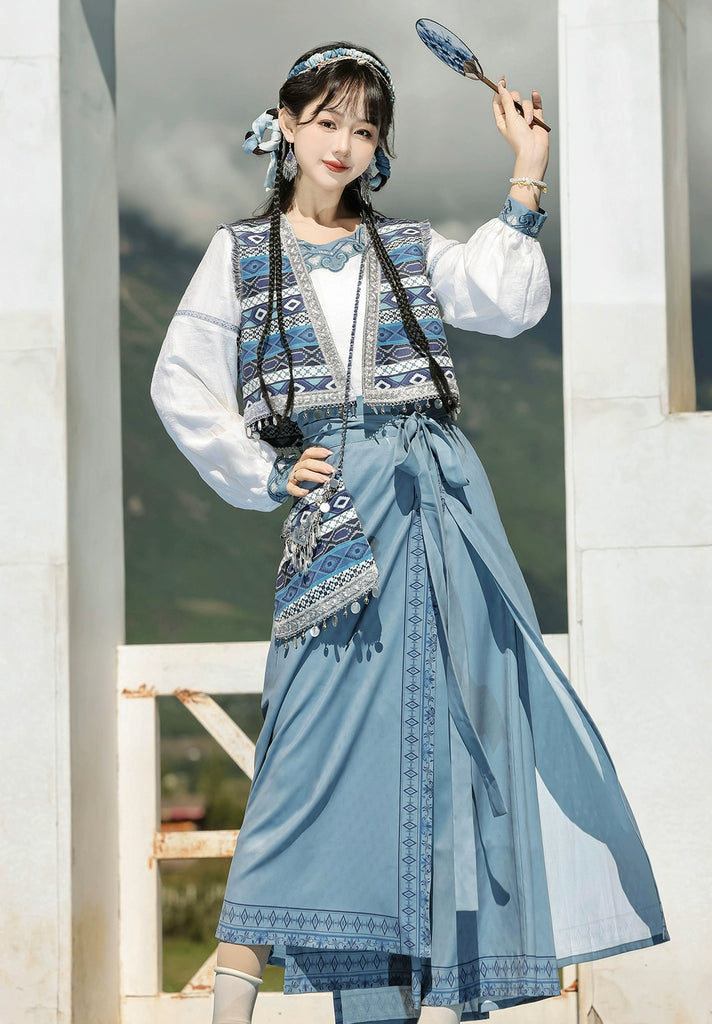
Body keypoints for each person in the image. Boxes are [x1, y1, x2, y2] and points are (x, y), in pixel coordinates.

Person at [150, 41, 668, 1024]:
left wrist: (527, 171)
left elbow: (507, 300)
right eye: (326, 120)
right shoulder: (240, 253)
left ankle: (384, 1008)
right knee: (298, 765)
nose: (343, 143)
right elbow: (181, 383)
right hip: (334, 528)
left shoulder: (411, 250)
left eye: (364, 127)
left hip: (433, 520)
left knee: (425, 762)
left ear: (378, 145)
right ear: (287, 124)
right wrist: (265, 471)